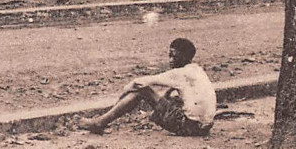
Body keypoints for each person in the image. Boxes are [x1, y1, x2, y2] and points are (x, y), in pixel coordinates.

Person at [79, 37, 216, 137]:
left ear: (184, 58)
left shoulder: (179, 73)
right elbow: (174, 90)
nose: (170, 60)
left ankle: (100, 122)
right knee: (172, 99)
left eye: (173, 56)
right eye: (169, 56)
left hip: (190, 127)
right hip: (205, 127)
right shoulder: (196, 70)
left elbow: (137, 83)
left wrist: (122, 97)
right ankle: (106, 120)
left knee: (142, 91)